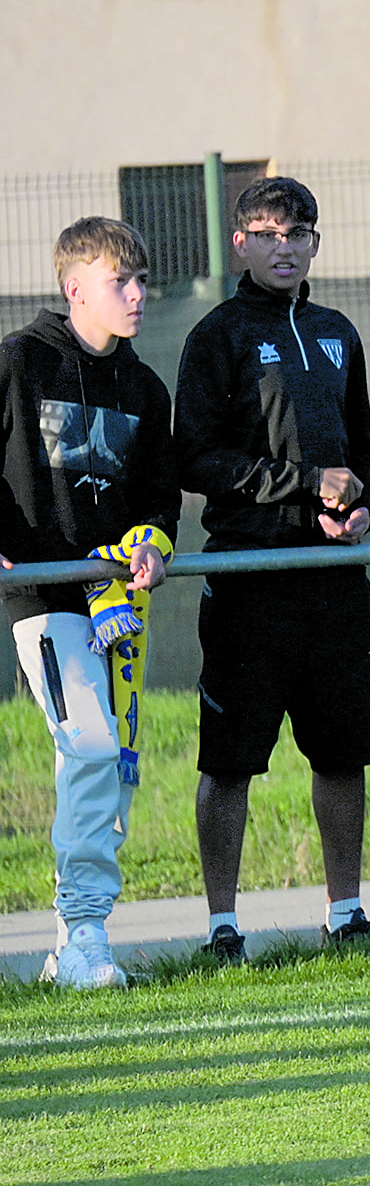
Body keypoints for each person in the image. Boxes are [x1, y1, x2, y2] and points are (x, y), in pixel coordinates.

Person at [174, 177, 370, 961]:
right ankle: (222, 928)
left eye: (298, 232)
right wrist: (303, 485)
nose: (284, 246)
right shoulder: (218, 335)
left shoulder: (338, 330)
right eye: (267, 232)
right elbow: (195, 458)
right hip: (249, 579)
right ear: (240, 242)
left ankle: (347, 915)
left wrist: (361, 510)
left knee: (343, 750)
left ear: (314, 242)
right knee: (230, 760)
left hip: (334, 582)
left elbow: (360, 454)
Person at [1, 218, 177, 989]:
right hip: (43, 594)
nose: (138, 295)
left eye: (142, 280)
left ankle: (75, 941)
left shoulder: (145, 387)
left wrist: (151, 547)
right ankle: (83, 936)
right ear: (76, 288)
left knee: (115, 764)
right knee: (93, 746)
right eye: (121, 281)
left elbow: (160, 501)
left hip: (116, 606)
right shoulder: (17, 362)